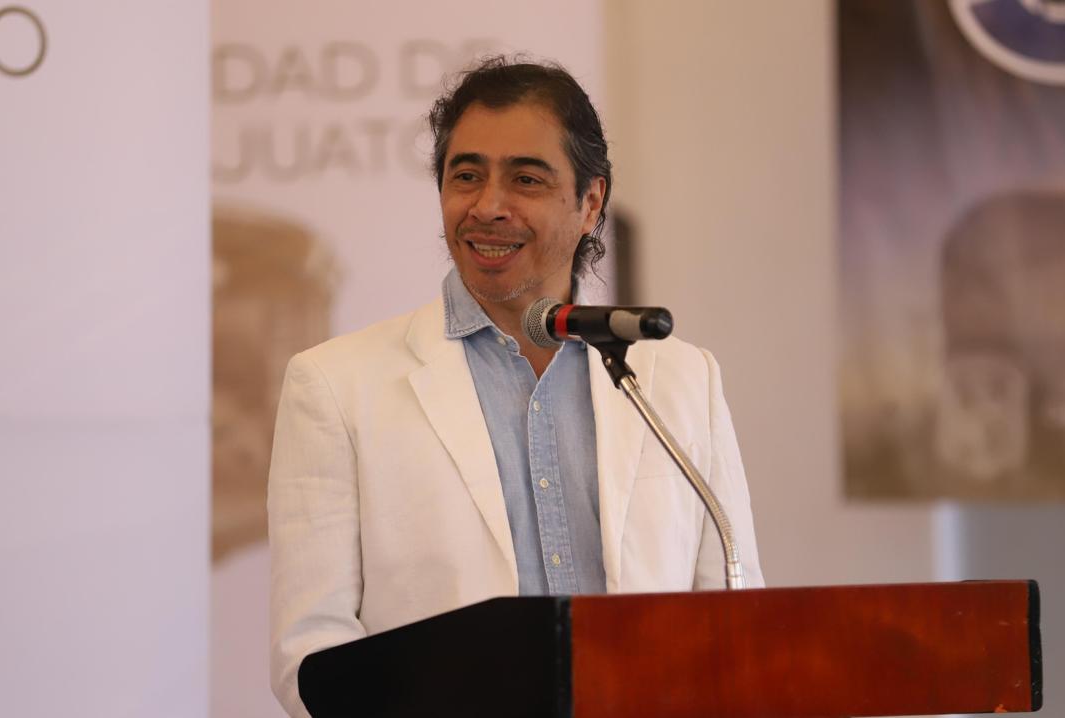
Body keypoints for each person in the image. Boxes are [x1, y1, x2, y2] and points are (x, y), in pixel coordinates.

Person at [267, 56, 763, 717]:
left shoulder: (679, 379)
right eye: (466, 176)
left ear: (591, 202)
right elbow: (312, 654)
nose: (488, 207)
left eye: (525, 179)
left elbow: (735, 619)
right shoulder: (336, 385)